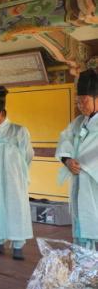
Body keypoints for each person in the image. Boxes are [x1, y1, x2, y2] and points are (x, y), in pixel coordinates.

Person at [0, 86, 33, 260]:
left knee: (15, 208)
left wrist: (16, 173)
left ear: (2, 112)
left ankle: (18, 245)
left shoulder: (19, 131)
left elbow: (28, 155)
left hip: (12, 179)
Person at [56, 69, 98, 250]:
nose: (81, 105)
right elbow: (64, 140)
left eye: (84, 101)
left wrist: (87, 164)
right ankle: (84, 260)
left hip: (94, 182)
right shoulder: (79, 122)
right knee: (81, 220)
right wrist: (67, 160)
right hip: (79, 180)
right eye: (78, 101)